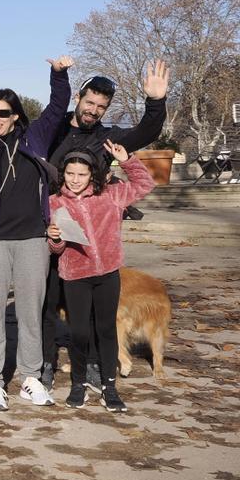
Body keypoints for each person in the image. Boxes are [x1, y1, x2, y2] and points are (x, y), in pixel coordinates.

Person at [40, 60, 170, 391]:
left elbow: (147, 132)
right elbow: (53, 108)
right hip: (50, 230)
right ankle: (45, 362)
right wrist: (59, 76)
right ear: (79, 98)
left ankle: (99, 363)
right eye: (90, 103)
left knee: (96, 311)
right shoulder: (54, 131)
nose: (94, 110)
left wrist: (155, 103)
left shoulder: (106, 137)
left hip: (90, 241)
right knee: (48, 302)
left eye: (101, 106)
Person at [0, 56, 74, 411]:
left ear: (15, 115)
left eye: (2, 113)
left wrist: (59, 74)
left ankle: (30, 377)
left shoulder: (36, 138)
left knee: (30, 310)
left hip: (32, 239)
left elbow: (58, 107)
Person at [47, 141, 155, 413]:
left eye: (81, 174)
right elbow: (55, 248)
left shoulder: (111, 196)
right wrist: (55, 239)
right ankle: (79, 384)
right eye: (70, 174)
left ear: (91, 175)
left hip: (107, 274)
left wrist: (127, 160)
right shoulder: (54, 203)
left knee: (106, 330)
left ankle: (110, 388)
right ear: (63, 174)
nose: (75, 180)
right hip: (75, 276)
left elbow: (145, 184)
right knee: (80, 332)